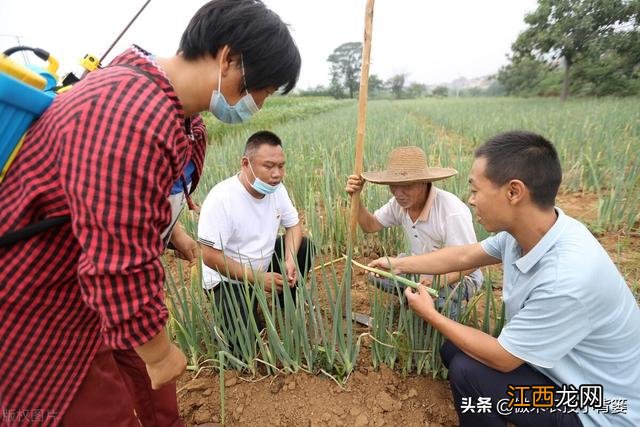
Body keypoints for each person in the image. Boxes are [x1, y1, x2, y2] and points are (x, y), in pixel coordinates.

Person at [0, 0, 301, 425]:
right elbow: (116, 267)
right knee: (108, 410)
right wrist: (159, 353)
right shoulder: (131, 115)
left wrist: (170, 231)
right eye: (262, 91)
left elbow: (123, 201)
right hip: (40, 307)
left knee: (158, 396)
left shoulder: (179, 115)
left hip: (91, 288)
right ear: (229, 58)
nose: (260, 105)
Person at [370, 131, 640, 427]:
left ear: (513, 192)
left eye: (475, 190)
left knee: (469, 373)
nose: (471, 201)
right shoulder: (529, 233)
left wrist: (430, 314)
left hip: (597, 406)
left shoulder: (566, 280)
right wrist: (399, 263)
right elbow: (462, 257)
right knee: (453, 350)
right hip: (559, 374)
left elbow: (503, 359)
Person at [198, 131, 313, 345]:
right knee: (244, 346)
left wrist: (289, 260)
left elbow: (294, 226)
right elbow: (209, 256)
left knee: (304, 247)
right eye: (269, 166)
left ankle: (286, 300)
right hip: (227, 279)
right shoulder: (222, 198)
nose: (277, 174)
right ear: (245, 163)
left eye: (281, 166)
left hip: (262, 264)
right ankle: (235, 315)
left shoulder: (276, 190)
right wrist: (257, 278)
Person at [346, 146, 483, 317]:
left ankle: (452, 312)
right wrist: (356, 198)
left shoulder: (450, 210)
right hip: (418, 269)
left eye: (406, 186)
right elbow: (370, 225)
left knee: (438, 301)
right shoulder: (398, 203)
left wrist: (436, 282)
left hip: (457, 276)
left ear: (424, 182)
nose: (398, 193)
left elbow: (471, 262)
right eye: (393, 186)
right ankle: (412, 296)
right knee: (377, 276)